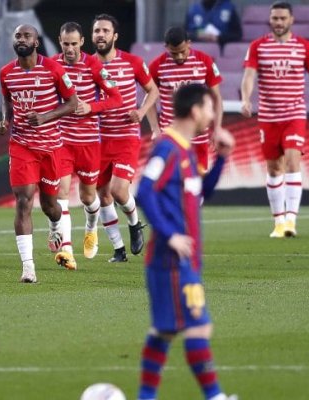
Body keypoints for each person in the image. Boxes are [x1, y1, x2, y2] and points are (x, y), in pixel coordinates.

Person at [136, 83, 236, 400]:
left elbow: (200, 193)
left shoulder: (185, 149)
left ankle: (145, 397)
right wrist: (171, 234)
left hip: (180, 261)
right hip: (172, 261)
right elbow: (143, 191)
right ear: (195, 111)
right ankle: (216, 397)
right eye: (209, 108)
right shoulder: (167, 148)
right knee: (198, 327)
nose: (212, 115)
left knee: (164, 331)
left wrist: (221, 159)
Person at [0, 24, 77, 283]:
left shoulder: (54, 69)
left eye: (26, 35)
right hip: (21, 145)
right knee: (23, 201)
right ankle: (28, 267)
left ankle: (55, 227)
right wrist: (6, 121)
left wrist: (45, 117)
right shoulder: (6, 72)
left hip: (51, 147)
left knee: (50, 206)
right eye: (17, 35)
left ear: (36, 42)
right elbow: (7, 100)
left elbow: (73, 103)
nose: (21, 39)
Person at [50, 21, 123, 270]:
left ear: (82, 42)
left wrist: (92, 107)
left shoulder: (94, 66)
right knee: (61, 194)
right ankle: (67, 250)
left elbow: (116, 98)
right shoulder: (52, 65)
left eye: (74, 44)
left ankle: (91, 228)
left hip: (89, 142)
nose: (69, 49)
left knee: (88, 197)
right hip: (61, 141)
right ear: (60, 42)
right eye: (65, 44)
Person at [91, 14, 159, 263]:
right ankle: (118, 249)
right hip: (98, 139)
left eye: (105, 31)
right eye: (97, 30)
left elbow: (153, 90)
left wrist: (141, 112)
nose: (100, 35)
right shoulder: (88, 64)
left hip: (126, 136)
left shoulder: (132, 62)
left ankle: (134, 223)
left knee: (119, 190)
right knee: (102, 195)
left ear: (115, 36)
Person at [241, 1, 309, 239]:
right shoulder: (258, 46)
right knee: (273, 167)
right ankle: (278, 222)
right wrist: (246, 98)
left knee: (292, 161)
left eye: (283, 18)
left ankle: (291, 220)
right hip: (268, 117)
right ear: (270, 20)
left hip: (294, 114)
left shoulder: (303, 47)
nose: (278, 22)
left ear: (291, 20)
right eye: (275, 18)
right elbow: (249, 75)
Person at [148, 26, 225, 173]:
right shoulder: (157, 66)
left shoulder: (204, 61)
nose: (179, 57)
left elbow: (216, 98)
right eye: (174, 53)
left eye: (182, 52)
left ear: (189, 43)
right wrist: (155, 129)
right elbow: (149, 99)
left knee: (198, 184)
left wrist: (218, 128)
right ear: (166, 47)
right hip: (171, 135)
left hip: (199, 136)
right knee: (172, 183)